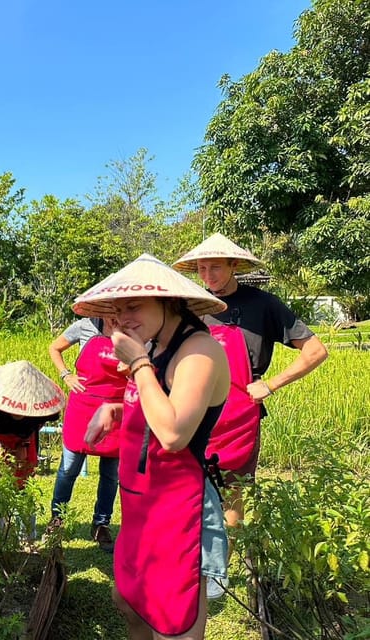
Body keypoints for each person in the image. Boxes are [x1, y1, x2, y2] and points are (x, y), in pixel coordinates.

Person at [75, 253, 230, 640]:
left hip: (181, 505)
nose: (124, 317)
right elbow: (159, 400)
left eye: (134, 305)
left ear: (167, 301)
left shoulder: (199, 351)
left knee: (172, 620)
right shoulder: (156, 346)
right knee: (128, 600)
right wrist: (116, 408)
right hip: (142, 500)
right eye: (117, 309)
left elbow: (175, 433)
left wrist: (139, 364)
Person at [172, 232, 328, 598]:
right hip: (193, 408)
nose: (207, 274)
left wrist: (270, 384)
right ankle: (190, 564)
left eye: (215, 266)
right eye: (201, 267)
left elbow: (316, 351)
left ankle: (222, 572)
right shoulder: (189, 306)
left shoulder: (264, 305)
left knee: (233, 493)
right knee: (187, 487)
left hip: (240, 412)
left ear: (234, 266)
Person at [48, 315, 126, 552]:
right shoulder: (86, 325)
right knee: (68, 470)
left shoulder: (132, 326)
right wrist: (66, 375)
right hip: (83, 409)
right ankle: (57, 520)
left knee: (110, 475)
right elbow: (55, 347)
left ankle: (101, 524)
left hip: (115, 410)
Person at [0, 361, 64, 522]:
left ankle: (26, 537)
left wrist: (23, 443)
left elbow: (36, 426)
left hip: (19, 435)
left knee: (24, 476)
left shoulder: (45, 409)